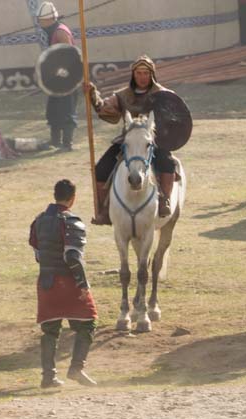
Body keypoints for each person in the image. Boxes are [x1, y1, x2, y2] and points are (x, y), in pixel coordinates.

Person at [85, 56, 183, 224]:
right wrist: (92, 94)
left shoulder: (163, 94)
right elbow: (105, 108)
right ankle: (104, 210)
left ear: (151, 74)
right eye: (139, 73)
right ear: (133, 74)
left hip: (152, 141)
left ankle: (165, 200)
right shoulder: (123, 95)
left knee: (167, 164)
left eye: (146, 73)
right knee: (100, 169)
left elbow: (175, 116)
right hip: (127, 142)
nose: (142, 77)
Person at [30, 178, 98, 388]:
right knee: (88, 323)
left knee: (50, 330)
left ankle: (48, 377)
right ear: (72, 198)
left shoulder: (39, 220)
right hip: (67, 282)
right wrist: (82, 284)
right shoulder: (71, 221)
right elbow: (72, 257)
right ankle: (76, 368)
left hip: (46, 282)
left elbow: (38, 254)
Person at [36, 2, 78, 150]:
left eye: (41, 20)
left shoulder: (60, 32)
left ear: (48, 19)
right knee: (53, 110)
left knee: (67, 111)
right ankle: (55, 141)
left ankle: (67, 143)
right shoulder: (52, 32)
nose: (40, 24)